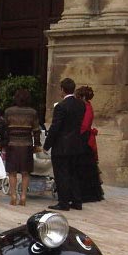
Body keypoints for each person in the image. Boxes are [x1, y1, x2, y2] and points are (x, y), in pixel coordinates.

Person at [44, 78, 86, 211]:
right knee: (74, 174)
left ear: (62, 90)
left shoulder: (61, 106)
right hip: (76, 145)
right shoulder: (81, 105)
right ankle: (77, 201)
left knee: (61, 174)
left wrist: (47, 145)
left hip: (61, 146)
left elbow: (55, 127)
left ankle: (63, 202)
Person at [4, 88, 42, 206]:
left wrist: (4, 144)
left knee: (12, 172)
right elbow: (36, 130)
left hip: (12, 144)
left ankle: (13, 195)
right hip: (27, 145)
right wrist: (37, 144)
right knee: (26, 173)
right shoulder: (32, 112)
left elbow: (4, 129)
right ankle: (24, 196)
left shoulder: (8, 111)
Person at [75, 85, 104, 202]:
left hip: (84, 140)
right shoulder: (86, 106)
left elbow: (84, 125)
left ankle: (86, 194)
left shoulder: (86, 107)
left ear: (82, 97)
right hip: (84, 138)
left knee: (85, 167)